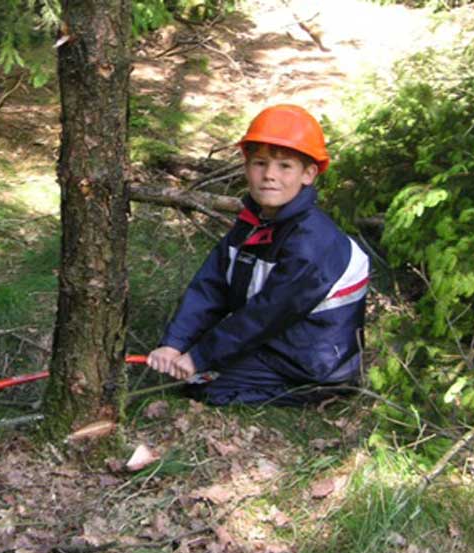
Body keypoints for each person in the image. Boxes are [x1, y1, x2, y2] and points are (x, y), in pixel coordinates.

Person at [146, 104, 369, 405]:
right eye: (260, 163)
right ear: (246, 166)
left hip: (311, 360)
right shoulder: (253, 223)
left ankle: (324, 392)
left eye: (284, 166)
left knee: (203, 386)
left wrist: (199, 357)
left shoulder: (312, 242)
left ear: (309, 174)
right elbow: (211, 285)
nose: (269, 176)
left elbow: (265, 315)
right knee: (194, 371)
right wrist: (175, 344)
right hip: (278, 338)